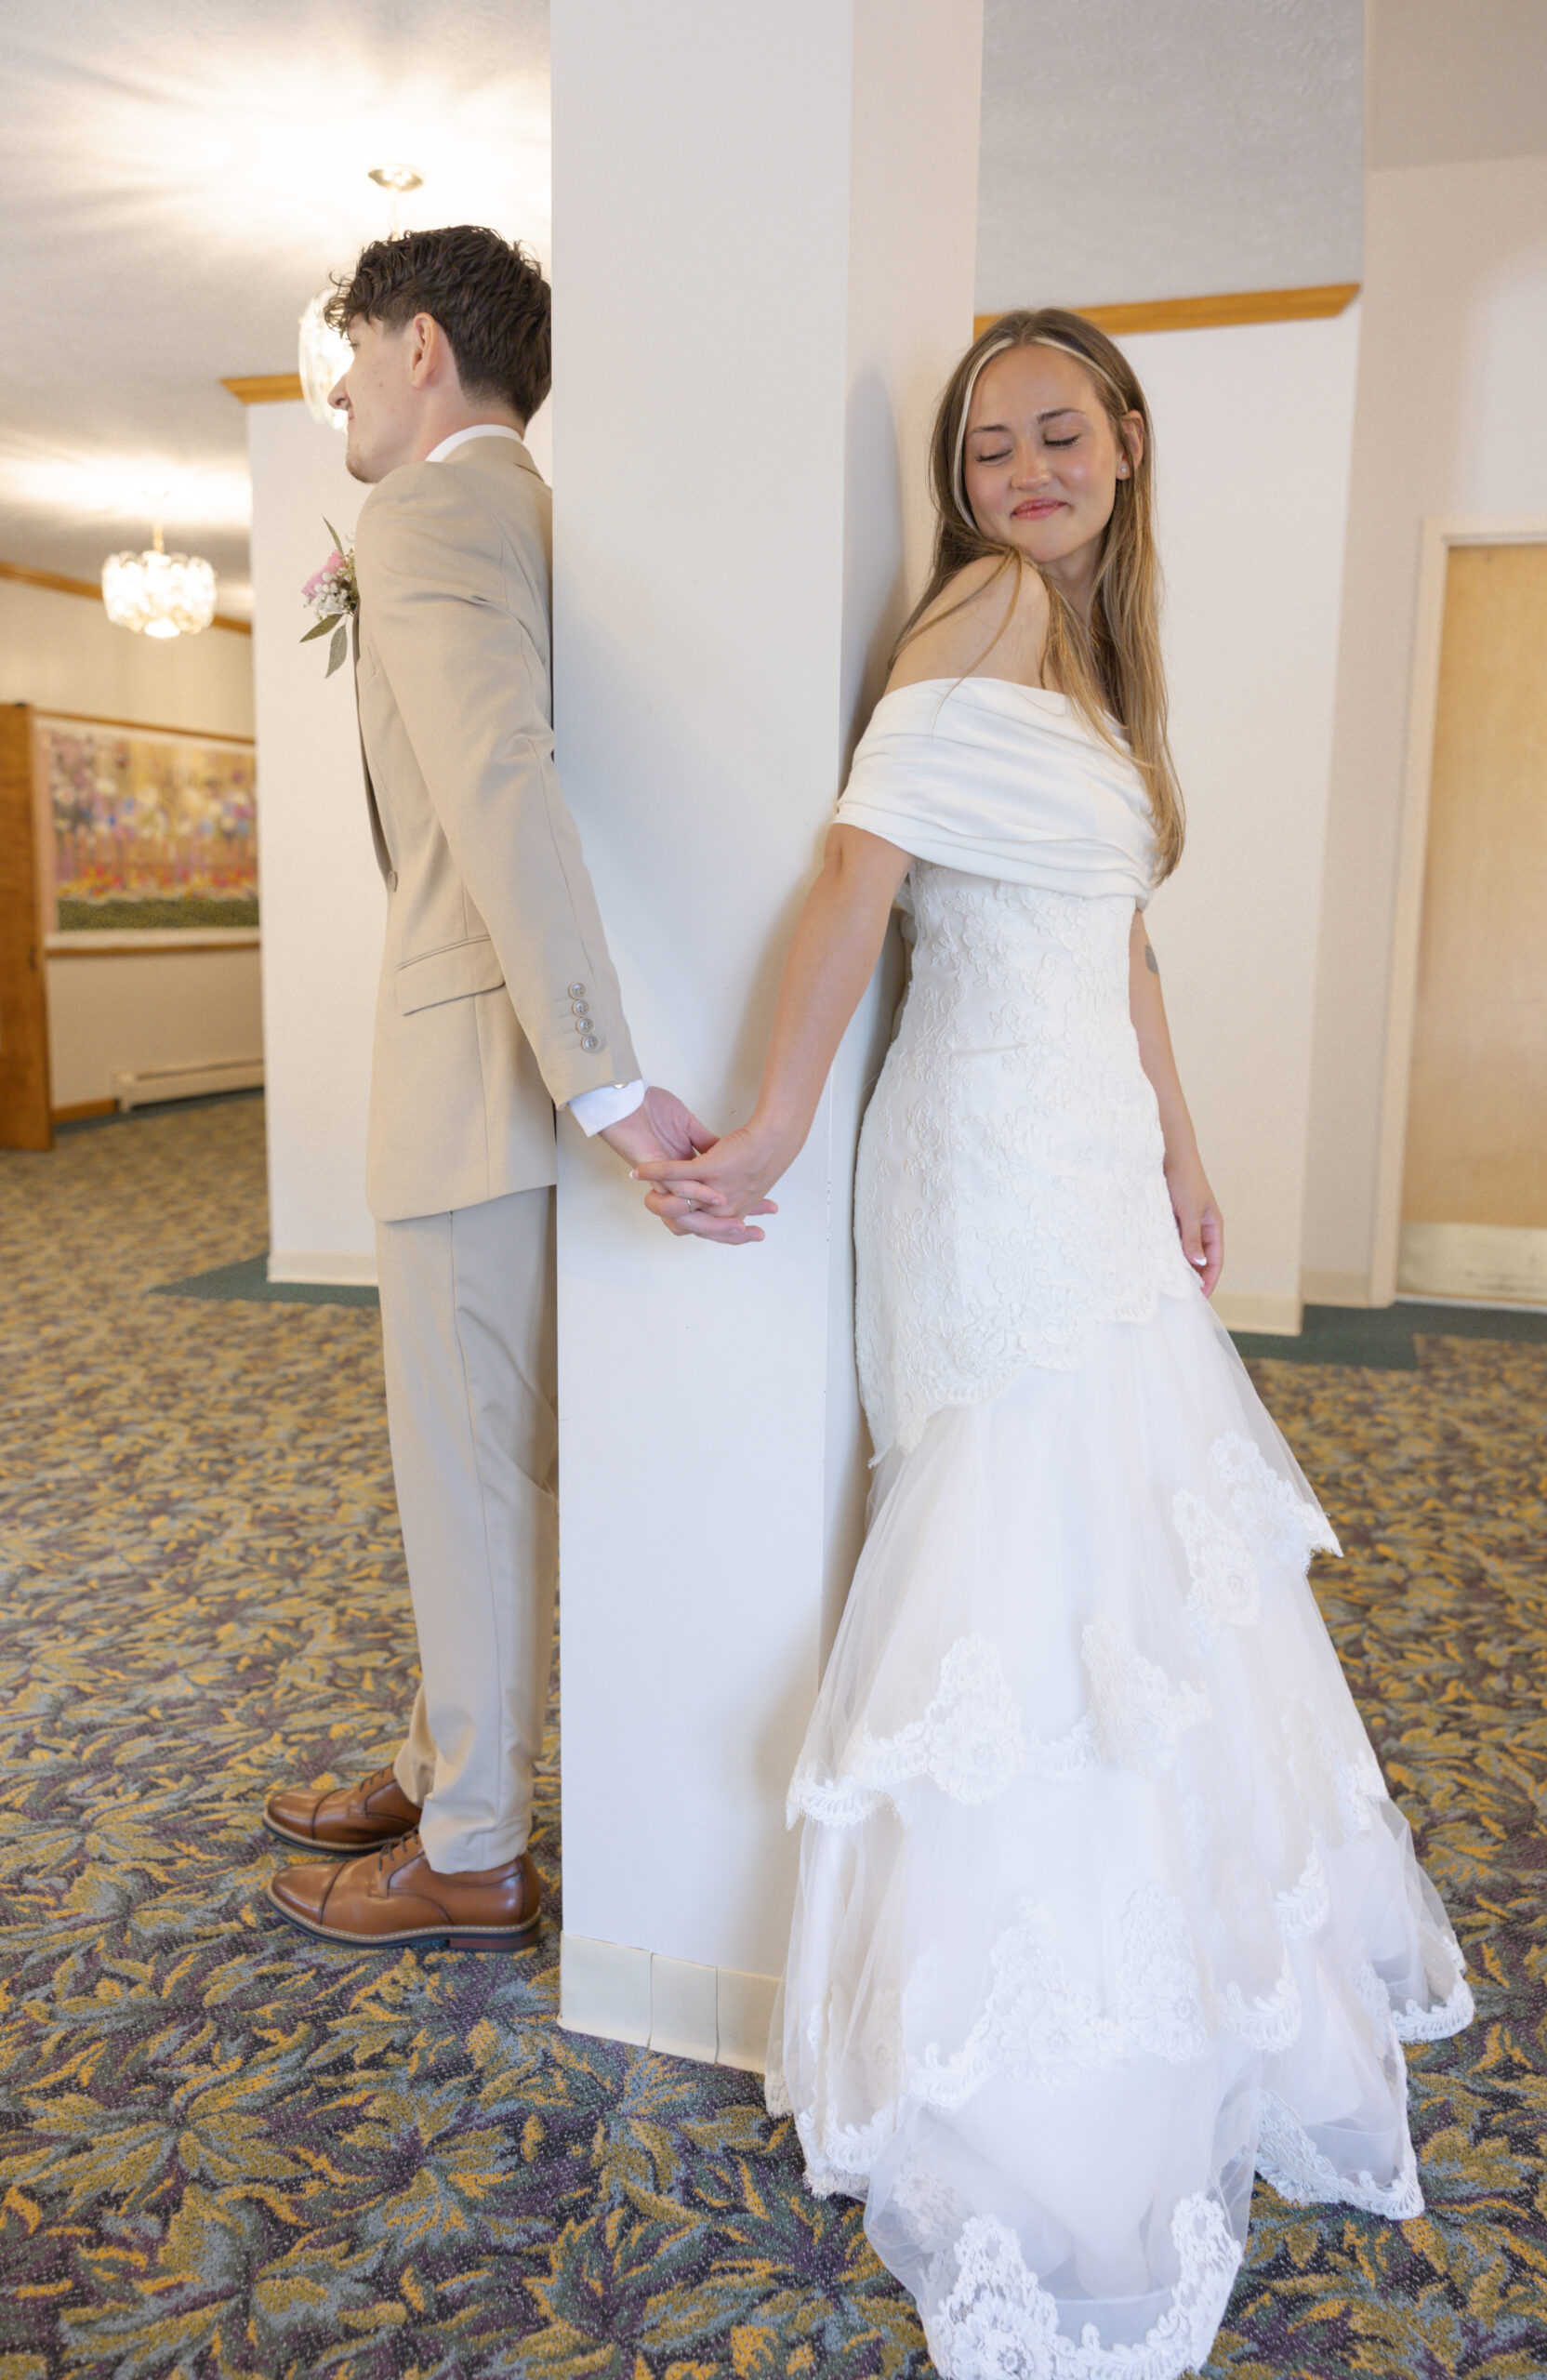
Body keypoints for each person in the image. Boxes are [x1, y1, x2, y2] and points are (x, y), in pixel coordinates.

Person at [638, 310, 1473, 2374]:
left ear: (1124, 439)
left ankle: (1162, 1954)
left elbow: (1127, 941)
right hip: (990, 1156)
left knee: (1133, 1557)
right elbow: (859, 869)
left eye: (1052, 431)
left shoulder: (1094, 658)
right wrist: (771, 1119)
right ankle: (1032, 2039)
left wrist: (1182, 1144)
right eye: (986, 441)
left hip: (1086, 1143)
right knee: (1039, 1547)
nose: (1020, 467)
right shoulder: (991, 606)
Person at [264, 227, 764, 1955]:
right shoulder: (541, 518)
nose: (335, 385)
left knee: (465, 1474)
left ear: (418, 347)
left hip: (479, 1077)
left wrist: (605, 1077)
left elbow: (497, 777)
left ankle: (471, 1847)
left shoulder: (424, 516)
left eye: (348, 351)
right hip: (506, 1078)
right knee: (487, 1470)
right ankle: (436, 1761)